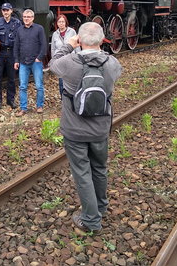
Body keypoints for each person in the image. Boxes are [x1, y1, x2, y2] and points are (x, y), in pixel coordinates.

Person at [49, 22, 122, 234]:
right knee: (99, 168)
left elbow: (53, 63)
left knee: (82, 173)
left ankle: (91, 220)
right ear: (102, 41)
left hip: (74, 131)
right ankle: (100, 207)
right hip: (100, 130)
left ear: (79, 40)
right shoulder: (112, 63)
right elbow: (115, 72)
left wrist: (69, 46)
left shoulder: (69, 62)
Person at [13, 9, 47, 116]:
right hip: (23, 62)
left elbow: (44, 44)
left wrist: (40, 57)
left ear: (33, 18)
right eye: (24, 17)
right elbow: (16, 46)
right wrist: (16, 60)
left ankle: (39, 106)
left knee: (39, 85)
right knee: (23, 86)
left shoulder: (39, 29)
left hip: (36, 62)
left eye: (28, 17)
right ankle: (23, 108)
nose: (26, 19)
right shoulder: (19, 30)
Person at [0, 3, 21, 109]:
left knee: (11, 78)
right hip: (0, 52)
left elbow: (19, 39)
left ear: (11, 11)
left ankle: (11, 100)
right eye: (3, 10)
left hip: (11, 52)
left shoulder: (17, 23)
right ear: (2, 11)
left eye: (7, 10)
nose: (5, 12)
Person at [50, 14, 77, 97]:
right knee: (61, 81)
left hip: (71, 59)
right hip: (60, 61)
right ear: (57, 23)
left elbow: (76, 46)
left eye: (63, 22)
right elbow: (53, 48)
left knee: (72, 80)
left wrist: (78, 57)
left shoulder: (72, 32)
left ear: (66, 23)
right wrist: (54, 60)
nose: (61, 23)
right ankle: (63, 98)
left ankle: (73, 97)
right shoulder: (55, 34)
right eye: (59, 22)